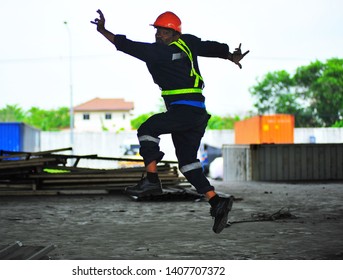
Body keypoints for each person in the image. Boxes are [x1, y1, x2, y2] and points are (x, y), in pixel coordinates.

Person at [91, 9, 249, 233]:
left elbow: (125, 45)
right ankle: (216, 201)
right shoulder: (187, 42)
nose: (159, 35)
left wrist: (103, 31)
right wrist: (229, 55)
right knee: (187, 163)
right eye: (157, 30)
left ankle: (152, 180)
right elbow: (210, 47)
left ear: (175, 33)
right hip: (195, 114)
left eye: (164, 32)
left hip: (184, 112)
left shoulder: (156, 53)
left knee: (147, 130)